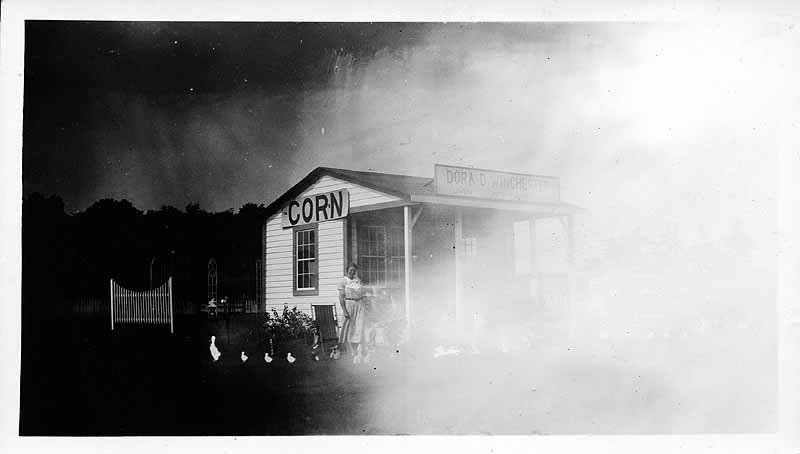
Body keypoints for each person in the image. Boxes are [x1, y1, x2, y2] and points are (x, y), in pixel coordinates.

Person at [337, 263, 367, 358]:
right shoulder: (343, 281)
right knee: (349, 327)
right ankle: (350, 350)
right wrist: (344, 310)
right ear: (347, 271)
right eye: (350, 270)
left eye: (354, 270)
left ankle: (358, 350)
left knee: (359, 326)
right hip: (349, 304)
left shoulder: (357, 281)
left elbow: (362, 293)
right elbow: (341, 297)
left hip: (359, 304)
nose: (352, 272)